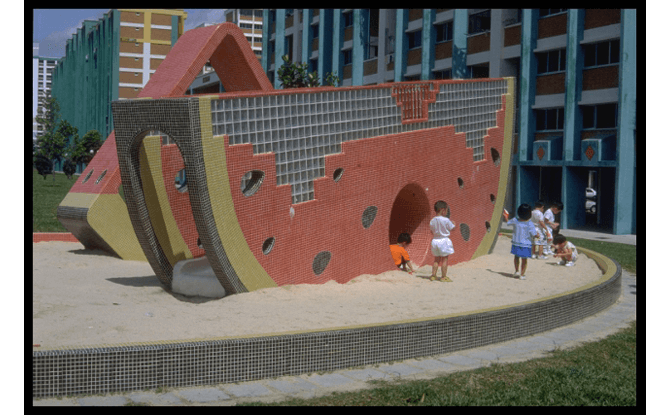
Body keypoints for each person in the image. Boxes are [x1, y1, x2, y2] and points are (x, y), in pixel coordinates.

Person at [504, 203, 540, 280]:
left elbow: (508, 222)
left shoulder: (515, 220)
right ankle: (522, 274)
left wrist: (506, 217)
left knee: (516, 257)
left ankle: (516, 271)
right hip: (526, 245)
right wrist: (538, 235)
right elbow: (534, 234)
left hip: (516, 243)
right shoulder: (530, 224)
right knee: (524, 260)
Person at [429, 200, 455, 282]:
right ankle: (443, 277)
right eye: (446, 210)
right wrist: (454, 224)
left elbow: (431, 231)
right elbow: (452, 228)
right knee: (444, 260)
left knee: (436, 259)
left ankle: (433, 275)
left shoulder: (432, 221)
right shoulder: (446, 220)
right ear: (443, 210)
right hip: (444, 241)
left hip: (435, 240)